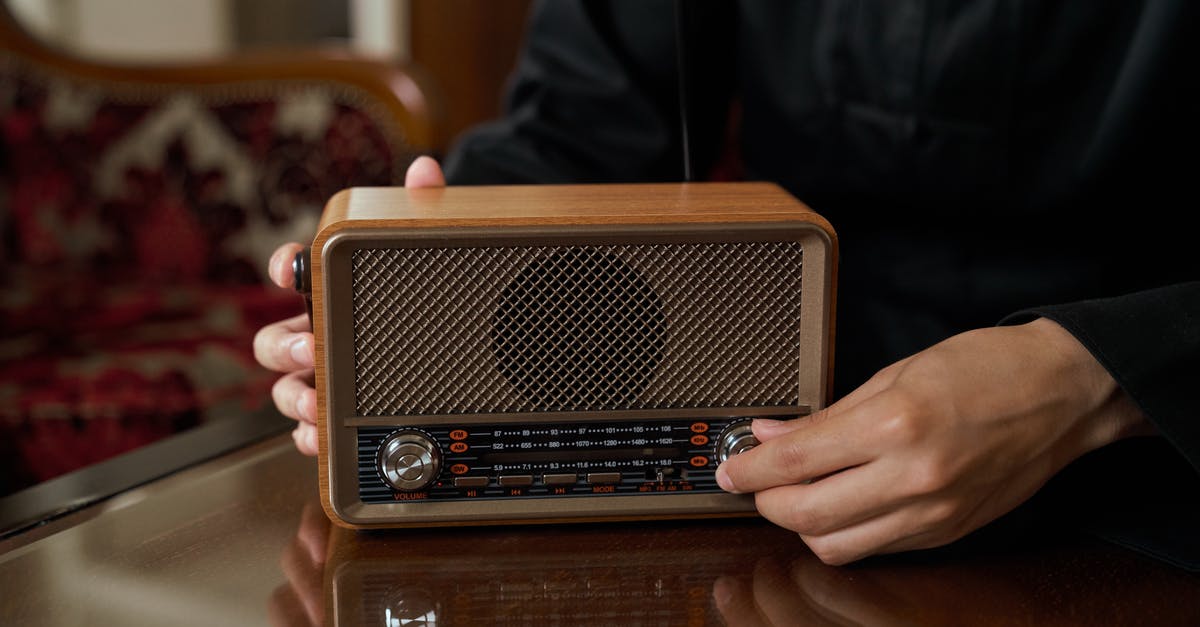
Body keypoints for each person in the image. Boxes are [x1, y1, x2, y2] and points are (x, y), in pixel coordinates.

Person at [254, 1, 1199, 569]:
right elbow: (584, 130)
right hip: (762, 468)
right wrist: (422, 287)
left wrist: (1095, 376)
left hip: (1155, 455)